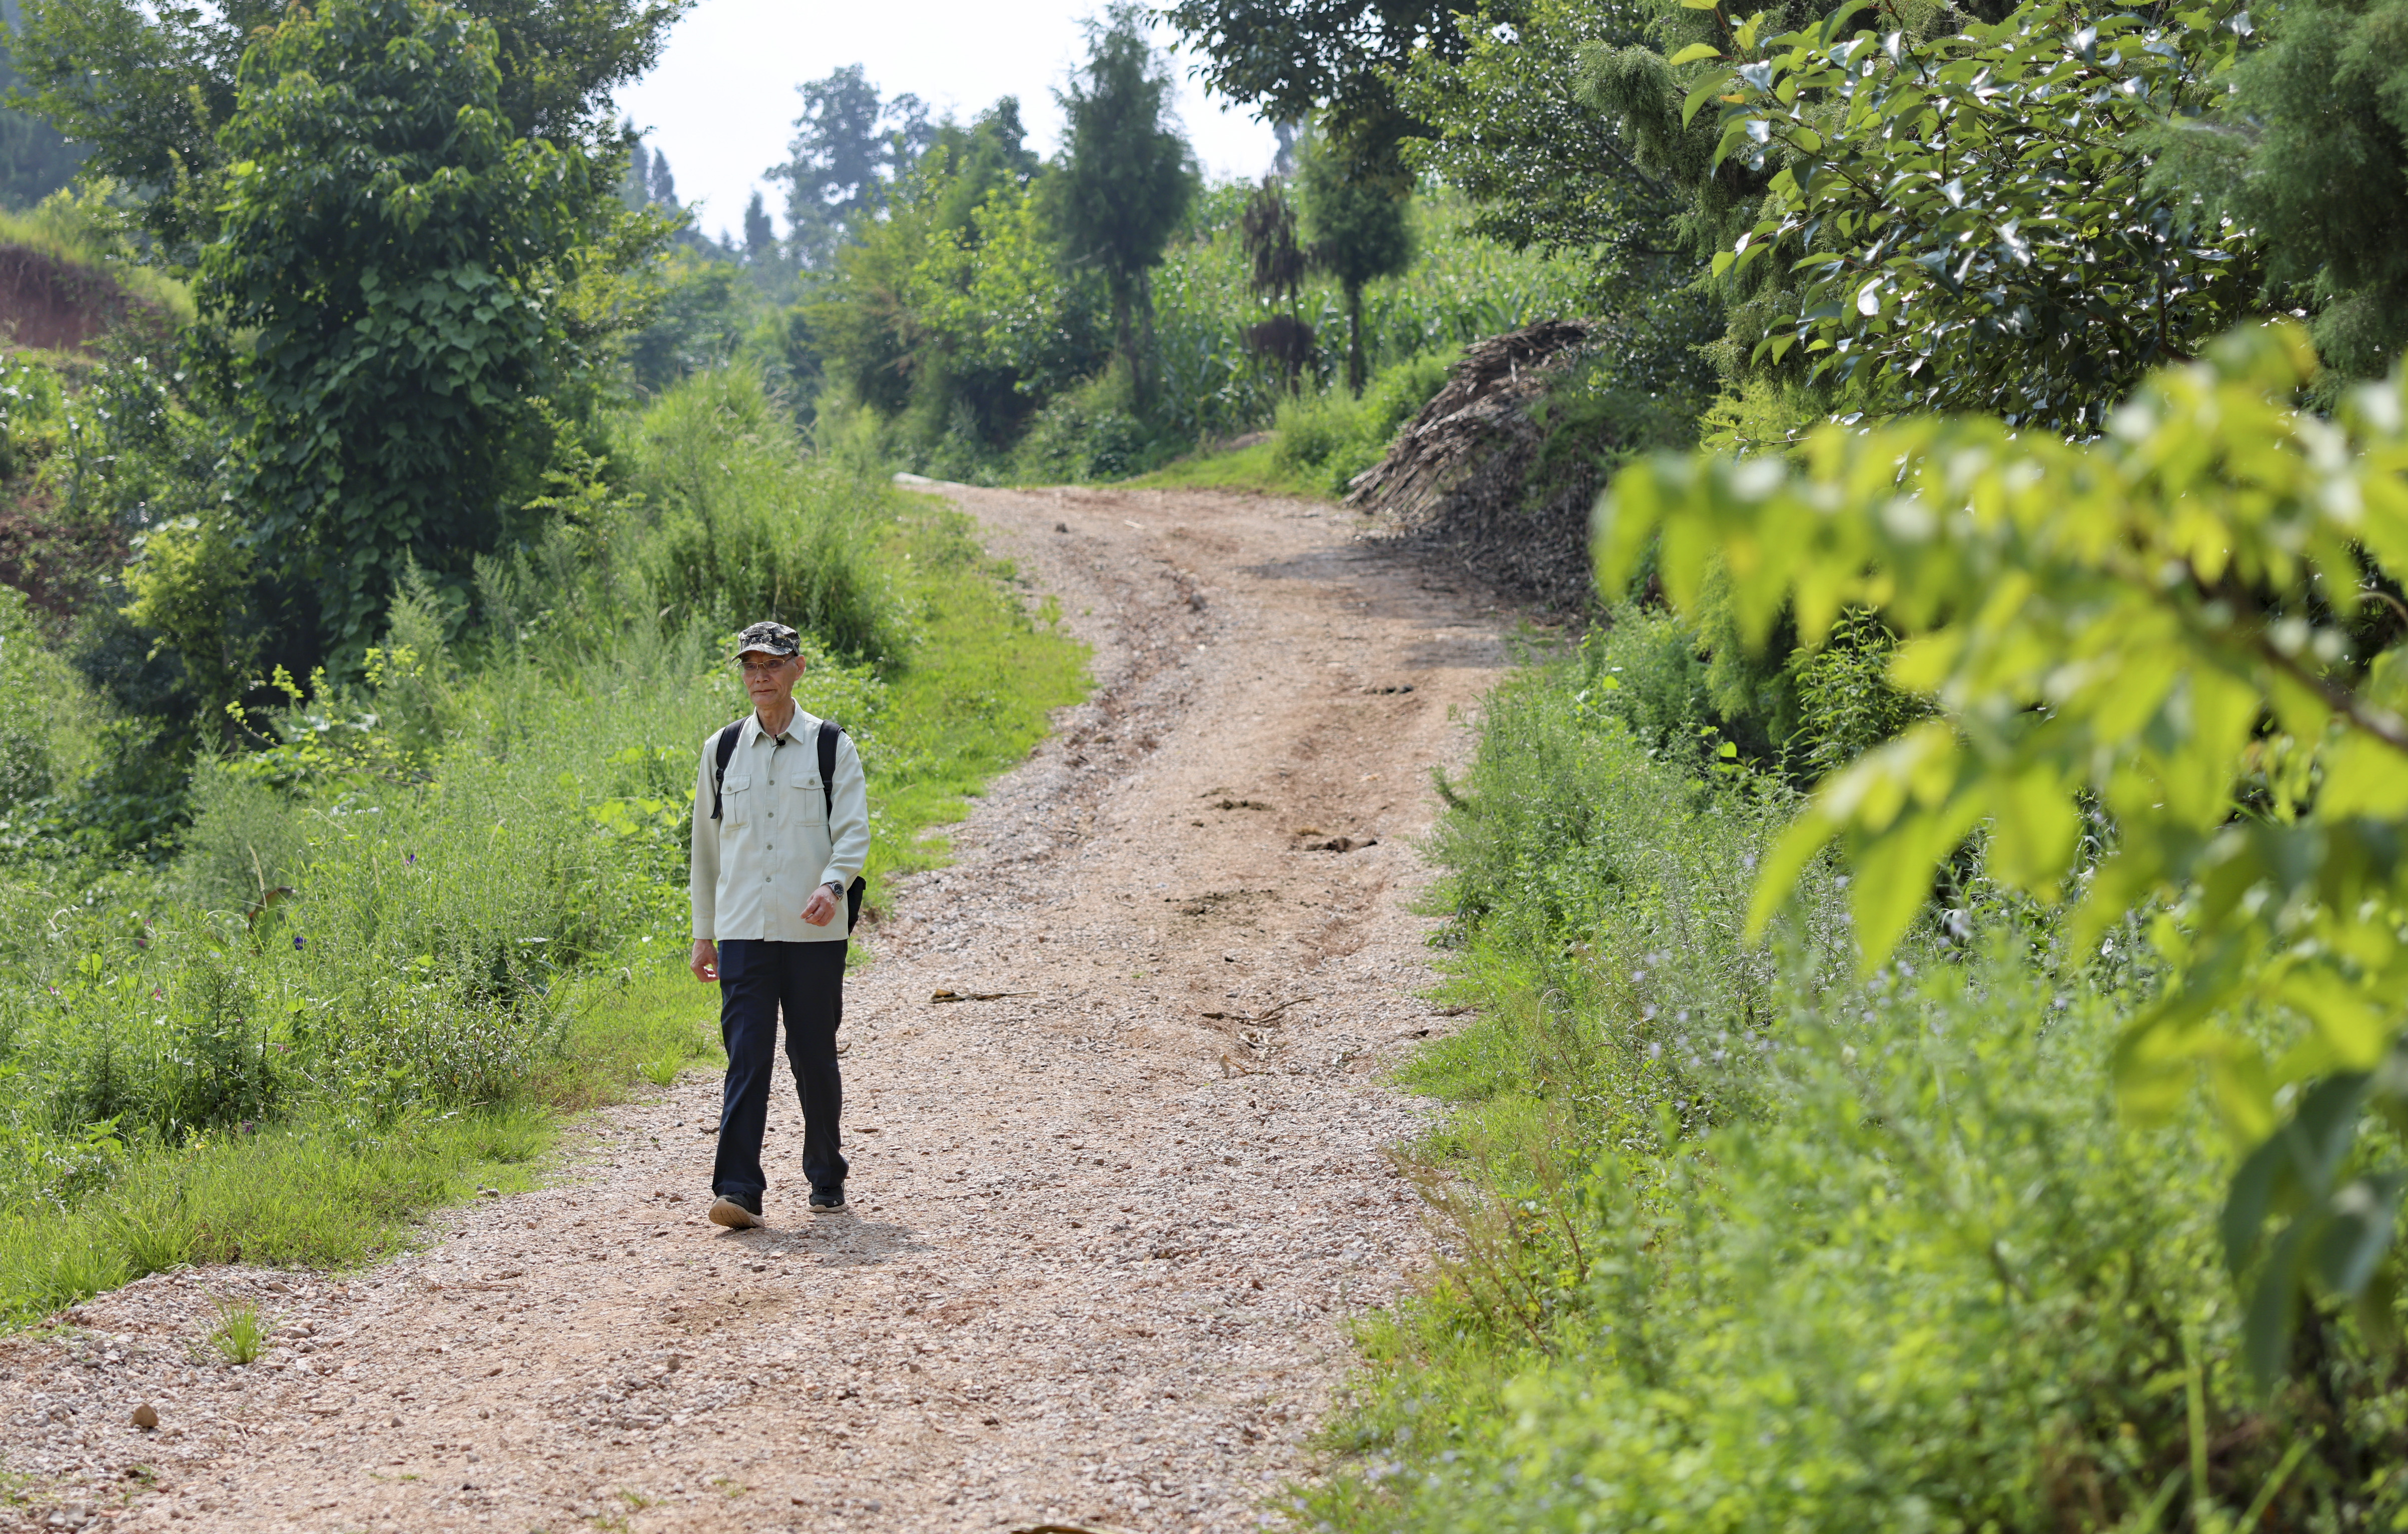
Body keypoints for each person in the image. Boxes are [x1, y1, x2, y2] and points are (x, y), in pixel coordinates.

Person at [688, 621, 870, 1227]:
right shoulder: (720, 749)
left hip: (813, 929)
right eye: (750, 666)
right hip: (743, 929)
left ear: (797, 668)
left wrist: (832, 883)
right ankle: (738, 1190)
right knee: (746, 1056)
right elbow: (706, 850)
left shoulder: (830, 745)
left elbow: (852, 831)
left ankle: (826, 1174)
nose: (759, 676)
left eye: (771, 664)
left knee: (813, 1054)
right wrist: (703, 931)